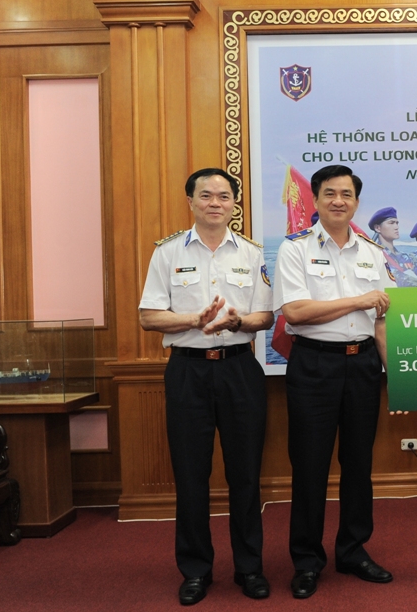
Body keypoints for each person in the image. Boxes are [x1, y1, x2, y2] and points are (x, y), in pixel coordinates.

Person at [138, 167, 274, 605]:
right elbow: (148, 316)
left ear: (234, 203)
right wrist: (193, 320)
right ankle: (195, 570)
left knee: (246, 475)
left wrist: (239, 321)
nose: (215, 202)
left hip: (239, 370)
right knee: (190, 475)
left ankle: (249, 568)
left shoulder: (251, 253)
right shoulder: (167, 252)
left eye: (223, 196)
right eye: (206, 195)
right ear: (191, 202)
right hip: (188, 372)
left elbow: (266, 316)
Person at [273, 165, 395, 599]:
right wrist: (358, 300)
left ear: (356, 203)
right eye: (329, 193)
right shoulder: (295, 249)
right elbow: (296, 312)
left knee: (359, 464)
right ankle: (307, 561)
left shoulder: (371, 252)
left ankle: (353, 551)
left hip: (362, 366)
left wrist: (395, 377)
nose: (338, 201)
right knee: (310, 466)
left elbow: (381, 321)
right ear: (316, 200)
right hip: (314, 366)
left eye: (346, 194)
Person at [368, 207, 417, 286]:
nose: (396, 227)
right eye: (391, 223)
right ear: (378, 228)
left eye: (397, 223)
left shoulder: (404, 256)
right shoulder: (374, 255)